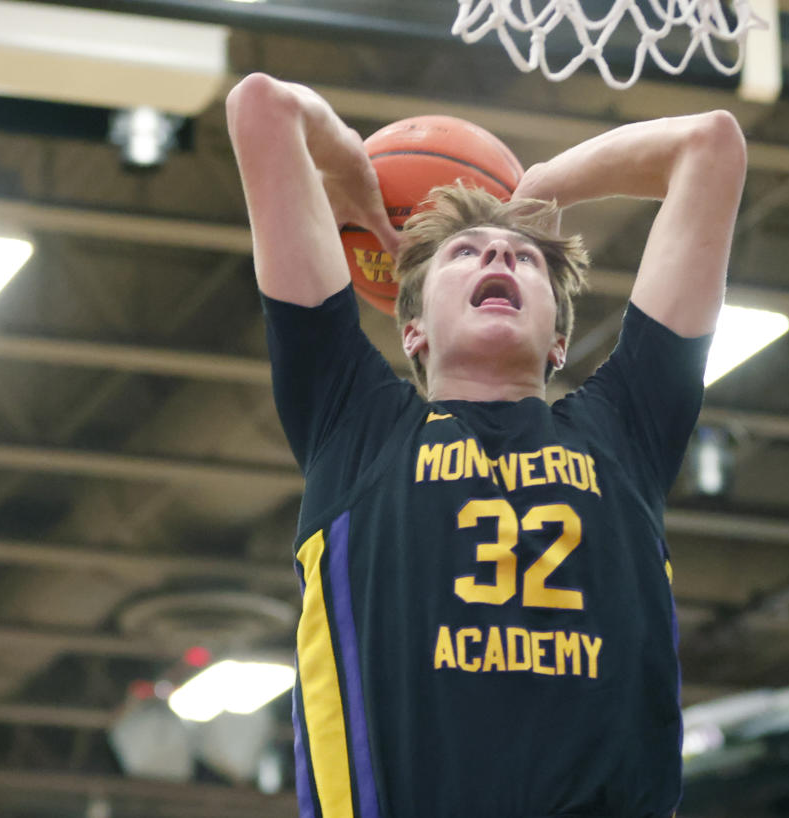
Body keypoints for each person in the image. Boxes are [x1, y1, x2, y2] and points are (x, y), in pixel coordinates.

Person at [226, 71, 747, 818]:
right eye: (465, 253)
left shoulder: (625, 428)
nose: (500, 259)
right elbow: (262, 108)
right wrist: (347, 171)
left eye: (524, 258)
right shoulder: (353, 423)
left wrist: (541, 186)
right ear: (412, 328)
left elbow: (710, 146)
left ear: (559, 340)